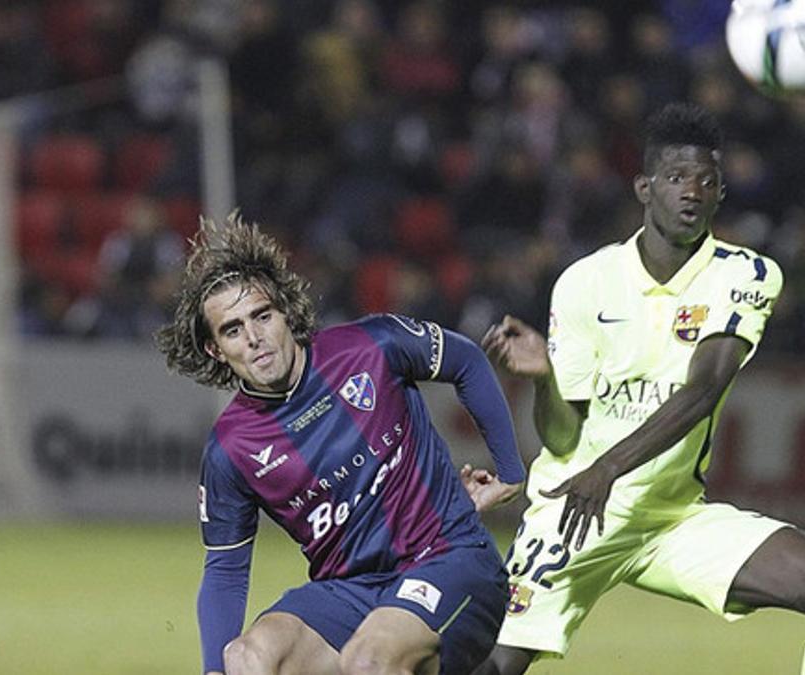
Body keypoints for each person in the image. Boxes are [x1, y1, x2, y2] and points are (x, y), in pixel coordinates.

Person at [477, 103, 805, 675]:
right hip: (574, 513)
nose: (691, 191)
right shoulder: (586, 281)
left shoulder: (745, 274)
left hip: (671, 516)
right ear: (644, 188)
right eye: (676, 178)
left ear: (720, 195)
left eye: (706, 181)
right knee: (491, 666)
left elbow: (704, 389)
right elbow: (563, 438)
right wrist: (545, 381)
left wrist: (609, 468)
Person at [155, 214, 526, 675]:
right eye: (232, 329)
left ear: (286, 313)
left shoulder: (369, 347)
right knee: (243, 659)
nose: (254, 338)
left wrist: (511, 472)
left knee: (369, 660)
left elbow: (466, 360)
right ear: (216, 349)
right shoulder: (232, 448)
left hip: (446, 561)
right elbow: (226, 571)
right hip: (350, 593)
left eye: (262, 316)